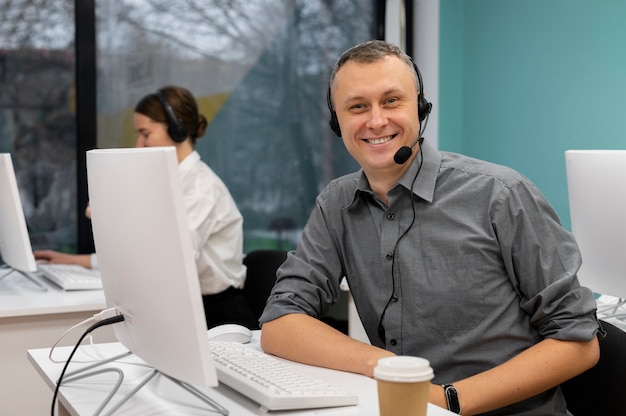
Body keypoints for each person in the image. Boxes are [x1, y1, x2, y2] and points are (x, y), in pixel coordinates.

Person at [259, 40, 601, 416]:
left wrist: (447, 399)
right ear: (336, 120)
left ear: (420, 107)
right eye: (358, 106)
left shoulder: (500, 195)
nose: (376, 121)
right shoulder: (336, 204)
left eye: (391, 101)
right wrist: (386, 370)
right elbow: (281, 322)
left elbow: (579, 341)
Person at [36, 86, 258, 330]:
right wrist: (72, 260)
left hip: (218, 316)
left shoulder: (200, 189)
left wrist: (109, 217)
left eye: (145, 133)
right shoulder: (165, 183)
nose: (139, 144)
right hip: (182, 306)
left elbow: (169, 262)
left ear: (177, 128)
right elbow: (141, 252)